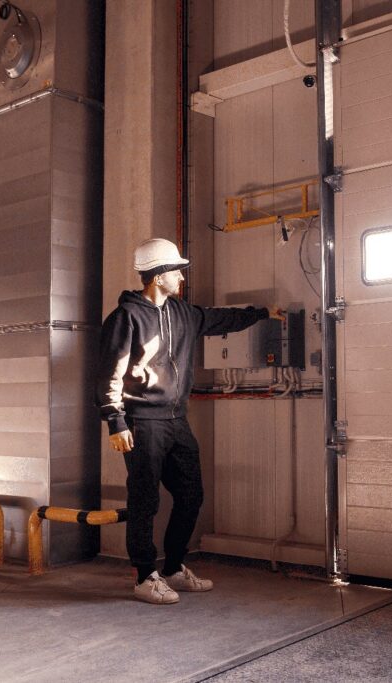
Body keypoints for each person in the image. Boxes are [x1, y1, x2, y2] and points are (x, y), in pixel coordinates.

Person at [98, 237, 270, 604]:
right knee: (145, 500)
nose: (181, 278)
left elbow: (219, 317)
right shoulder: (126, 317)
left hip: (177, 420)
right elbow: (109, 372)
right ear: (159, 276)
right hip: (142, 421)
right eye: (176, 271)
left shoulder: (182, 314)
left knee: (191, 495)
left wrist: (262, 314)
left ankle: (174, 567)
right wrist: (115, 420)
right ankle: (145, 576)